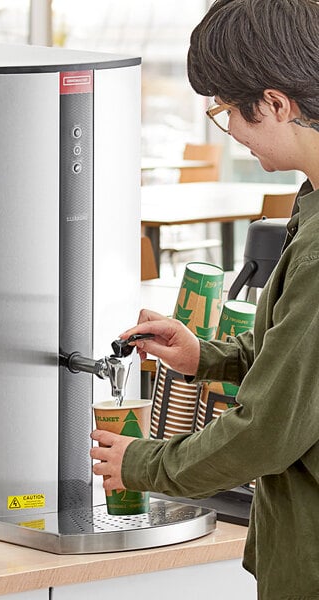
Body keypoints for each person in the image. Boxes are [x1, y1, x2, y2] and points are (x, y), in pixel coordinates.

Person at [90, 1, 319, 598]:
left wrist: (143, 464)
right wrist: (207, 356)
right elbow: (304, 361)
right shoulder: (311, 199)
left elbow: (270, 428)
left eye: (223, 111)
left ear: (274, 103)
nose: (229, 132)